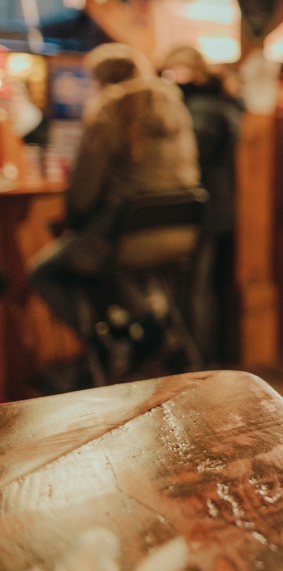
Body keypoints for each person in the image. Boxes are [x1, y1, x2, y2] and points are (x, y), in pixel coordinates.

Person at [28, 43, 199, 388]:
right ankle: (149, 328)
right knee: (122, 272)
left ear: (101, 81)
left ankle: (103, 343)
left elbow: (83, 193)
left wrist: (74, 219)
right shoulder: (176, 108)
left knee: (45, 271)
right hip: (180, 235)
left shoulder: (109, 112)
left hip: (125, 237)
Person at [161, 45, 244, 365]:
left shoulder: (201, 109)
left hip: (203, 207)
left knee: (195, 288)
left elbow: (194, 157)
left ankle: (196, 360)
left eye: (173, 73)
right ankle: (202, 355)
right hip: (217, 204)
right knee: (203, 286)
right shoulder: (220, 103)